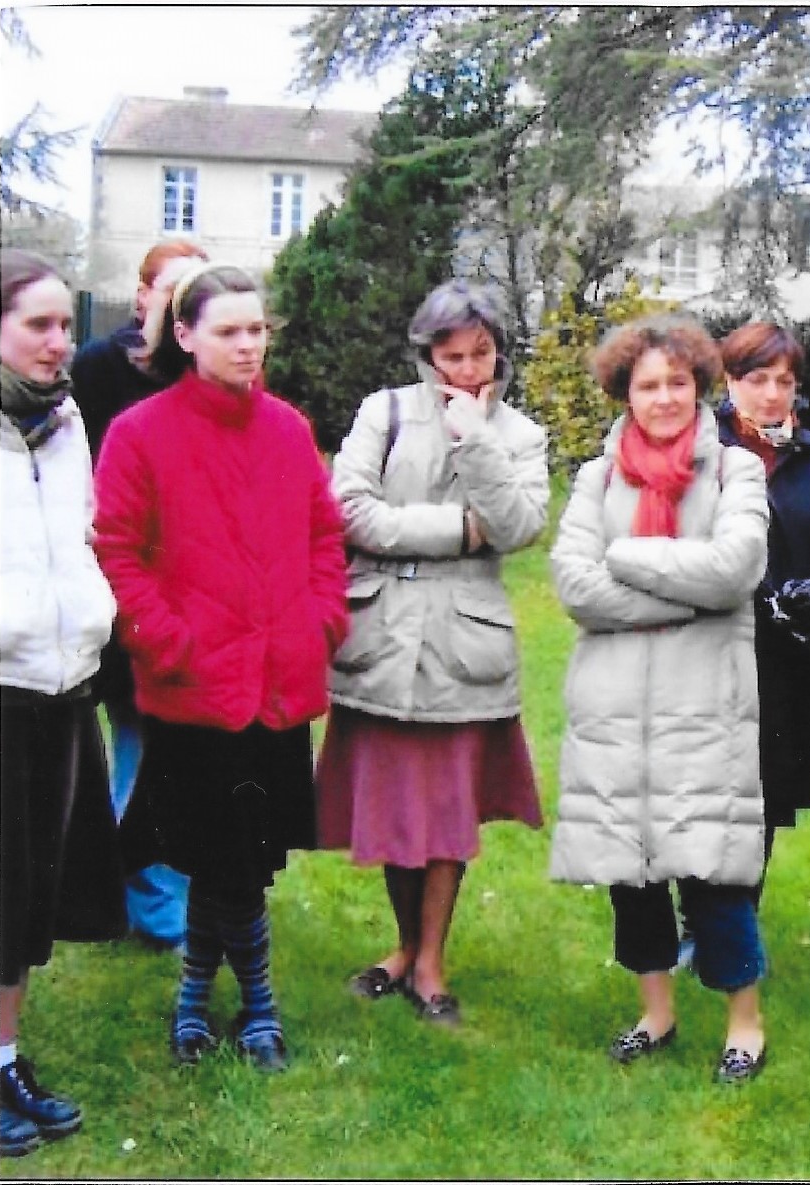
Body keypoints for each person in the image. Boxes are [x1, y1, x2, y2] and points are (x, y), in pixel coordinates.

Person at [94, 263, 348, 1073]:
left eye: (257, 328)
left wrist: (320, 621)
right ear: (185, 334)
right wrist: (169, 641)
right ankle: (250, 1006)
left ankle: (201, 1002)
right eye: (228, 330)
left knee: (235, 862)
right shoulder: (140, 432)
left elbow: (324, 535)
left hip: (276, 686)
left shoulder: (287, 428)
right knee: (219, 858)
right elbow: (117, 553)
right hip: (193, 692)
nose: (248, 344)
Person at [315, 280, 549, 1026]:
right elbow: (348, 511)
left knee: (448, 812)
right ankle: (403, 945)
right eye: (453, 357)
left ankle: (430, 962)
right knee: (392, 810)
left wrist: (475, 438)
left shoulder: (519, 434)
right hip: (381, 637)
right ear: (427, 355)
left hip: (462, 644)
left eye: (481, 354)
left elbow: (518, 525)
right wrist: (458, 531)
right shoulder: (382, 413)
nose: (469, 371)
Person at [549, 315, 772, 1084]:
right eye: (649, 385)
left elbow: (734, 568)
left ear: (700, 385)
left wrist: (624, 554)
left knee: (714, 873)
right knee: (632, 874)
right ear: (625, 393)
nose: (665, 397)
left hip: (703, 706)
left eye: (678, 381)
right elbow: (574, 586)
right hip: (612, 712)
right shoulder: (595, 478)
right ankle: (656, 1012)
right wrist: (683, 588)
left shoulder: (736, 471)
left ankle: (745, 1023)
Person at [0, 250, 125, 1157]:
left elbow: (79, 534)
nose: (59, 342)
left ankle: (3, 1056)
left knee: (27, 900)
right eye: (37, 324)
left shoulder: (64, 420)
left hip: (62, 684)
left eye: (63, 324)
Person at [69, 238, 208, 951]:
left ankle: (148, 899)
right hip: (114, 587)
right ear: (144, 294)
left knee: (163, 752)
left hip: (185, 596)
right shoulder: (100, 367)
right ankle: (131, 896)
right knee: (122, 748)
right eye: (173, 288)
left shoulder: (207, 372)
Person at [714, 321, 810, 883]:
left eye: (784, 381)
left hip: (793, 664)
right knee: (707, 792)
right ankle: (700, 913)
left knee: (767, 795)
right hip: (714, 654)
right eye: (757, 379)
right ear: (730, 380)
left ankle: (738, 913)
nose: (772, 394)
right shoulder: (702, 449)